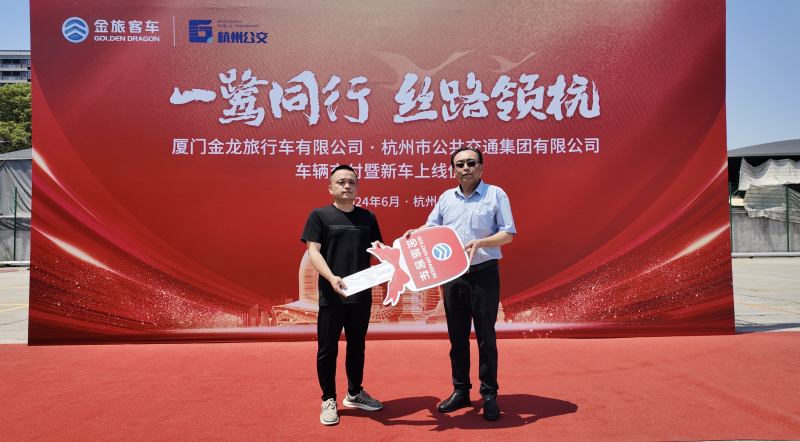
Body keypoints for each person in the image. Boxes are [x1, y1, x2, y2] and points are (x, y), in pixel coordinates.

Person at [404, 147, 515, 421]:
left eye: (471, 163)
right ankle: (461, 391)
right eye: (459, 164)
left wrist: (482, 242)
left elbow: (508, 234)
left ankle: (489, 394)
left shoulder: (495, 195)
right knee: (457, 337)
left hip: (483, 274)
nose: (465, 168)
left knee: (486, 337)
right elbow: (432, 226)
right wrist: (416, 233)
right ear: (453, 169)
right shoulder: (446, 198)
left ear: (481, 167)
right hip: (452, 275)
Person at [301, 164, 384, 426]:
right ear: (330, 188)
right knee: (328, 349)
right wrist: (331, 277)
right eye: (341, 182)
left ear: (357, 187)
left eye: (352, 182)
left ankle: (354, 393)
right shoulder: (319, 215)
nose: (347, 186)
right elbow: (313, 251)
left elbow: (376, 250)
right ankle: (328, 399)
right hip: (333, 293)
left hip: (361, 293)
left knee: (357, 346)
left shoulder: (368, 217)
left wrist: (387, 253)